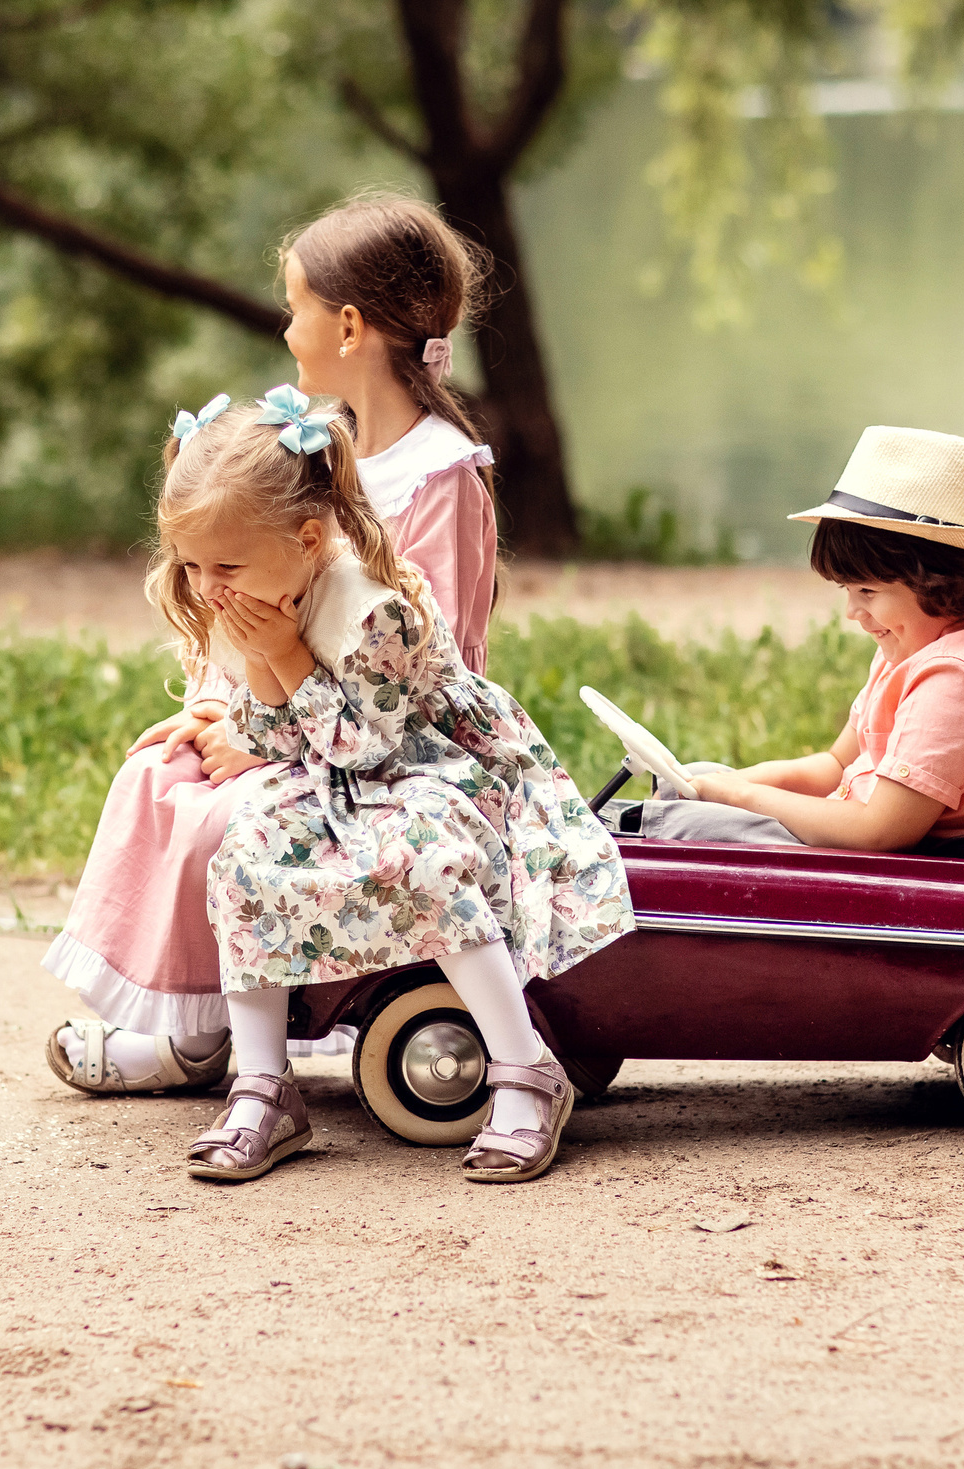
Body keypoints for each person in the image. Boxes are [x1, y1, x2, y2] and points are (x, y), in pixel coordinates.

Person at [44, 194, 500, 1096]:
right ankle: (180, 1021)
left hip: (379, 746)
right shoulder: (324, 449)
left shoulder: (440, 476)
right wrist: (222, 705)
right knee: (155, 778)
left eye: (295, 307)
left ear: (349, 325)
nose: (287, 327)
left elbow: (414, 664)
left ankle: (207, 1038)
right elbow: (255, 595)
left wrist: (263, 738)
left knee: (220, 817)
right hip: (286, 708)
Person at [150, 391, 631, 1184]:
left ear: (308, 538)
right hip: (336, 770)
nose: (206, 585)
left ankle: (525, 1066)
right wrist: (269, 659)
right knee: (243, 856)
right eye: (192, 565)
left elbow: (364, 742)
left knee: (429, 859)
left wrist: (287, 657)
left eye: (224, 565)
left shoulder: (374, 609)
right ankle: (264, 1086)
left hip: (429, 763)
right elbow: (274, 735)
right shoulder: (258, 597)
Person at [631, 427, 964, 850]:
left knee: (687, 825)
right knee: (696, 778)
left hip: (929, 867)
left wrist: (738, 797)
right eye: (848, 591)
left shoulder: (959, 680)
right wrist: (727, 783)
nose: (852, 613)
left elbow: (877, 831)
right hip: (871, 822)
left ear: (944, 582)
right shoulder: (916, 642)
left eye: (867, 592)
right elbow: (836, 764)